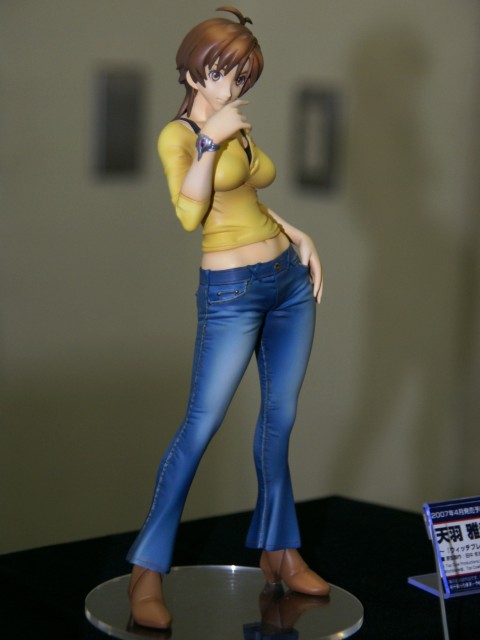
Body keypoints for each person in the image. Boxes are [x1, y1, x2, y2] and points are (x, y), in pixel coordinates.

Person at [126, 6, 329, 629]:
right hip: (231, 292)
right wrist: (211, 139)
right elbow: (191, 216)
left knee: (280, 420)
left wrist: (297, 233)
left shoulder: (234, 123)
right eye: (221, 73)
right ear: (192, 72)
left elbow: (247, 196)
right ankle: (146, 570)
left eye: (241, 77)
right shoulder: (180, 136)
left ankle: (279, 550)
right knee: (201, 425)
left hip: (287, 282)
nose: (232, 86)